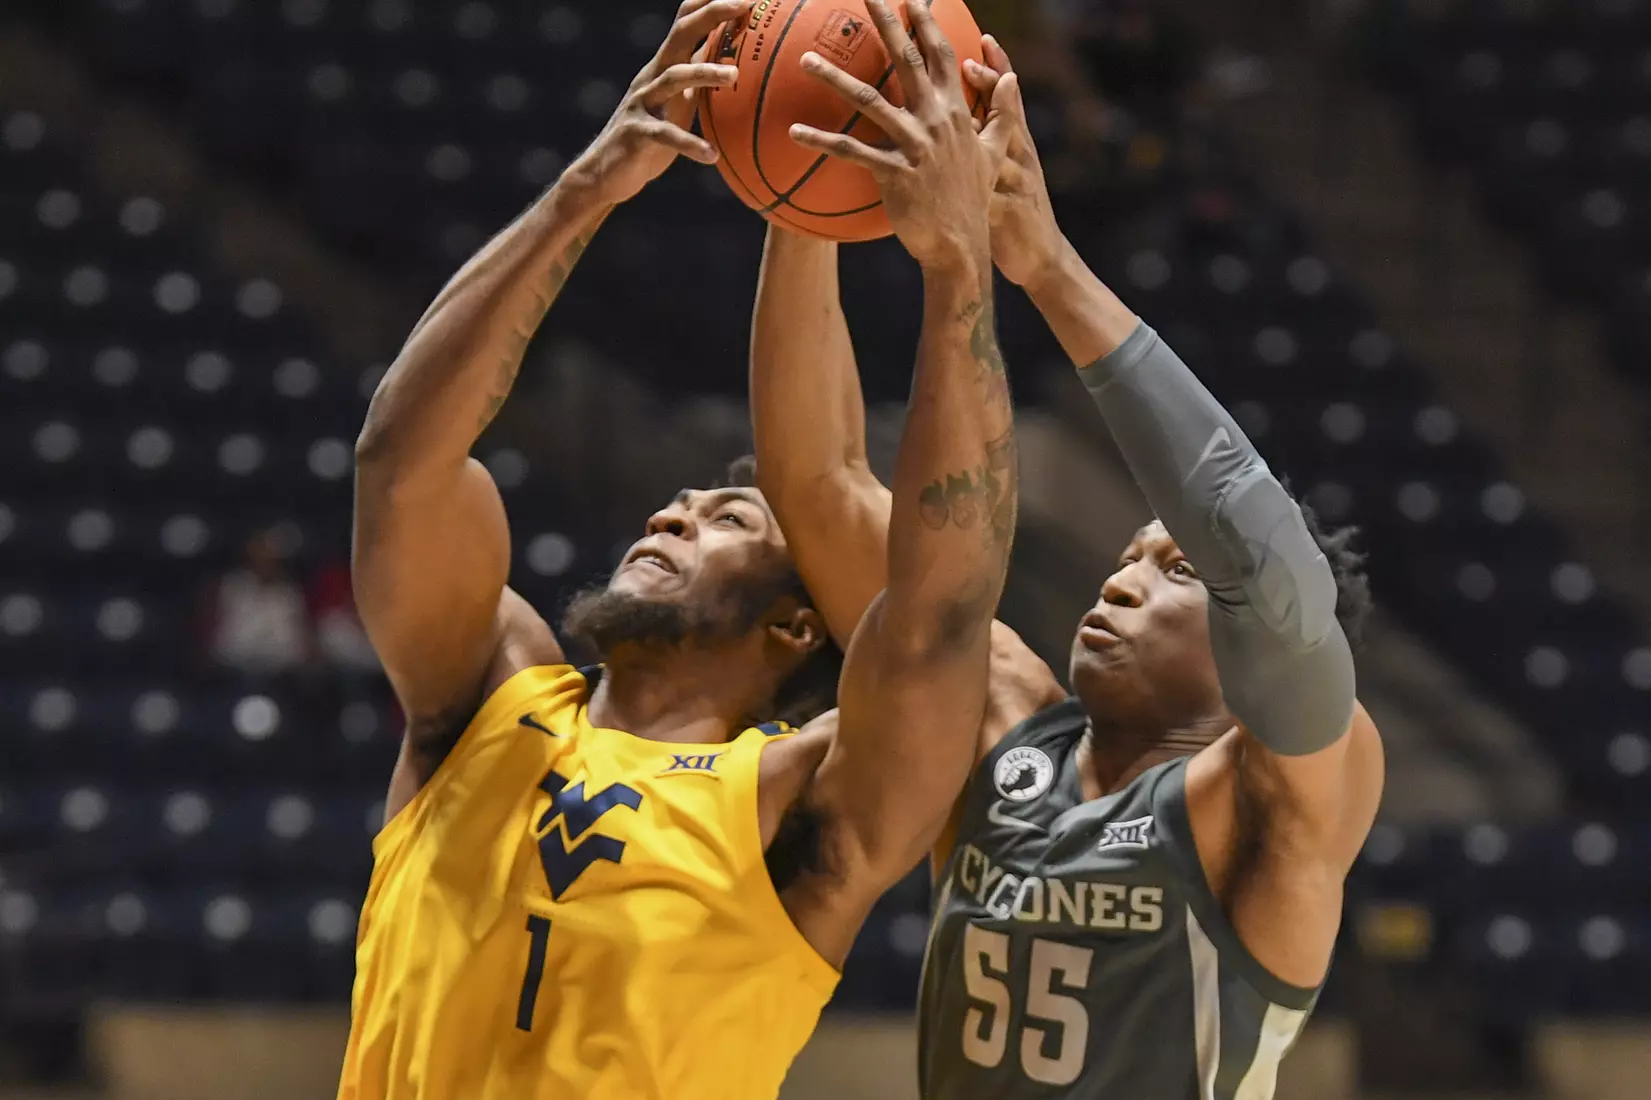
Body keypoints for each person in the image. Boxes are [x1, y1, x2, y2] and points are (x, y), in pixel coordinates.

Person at [337, 2, 1020, 1098]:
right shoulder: (482, 697)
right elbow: (399, 459)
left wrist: (955, 271)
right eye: (680, 503)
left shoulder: (802, 803)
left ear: (796, 623)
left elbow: (937, 607)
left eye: (723, 519)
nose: (669, 513)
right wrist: (583, 193)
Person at [749, 33, 1384, 1100]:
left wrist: (1038, 260)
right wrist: (806, 188)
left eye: (1173, 571)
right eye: (1128, 555)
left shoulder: (1280, 795)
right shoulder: (996, 718)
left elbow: (1268, 572)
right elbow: (821, 482)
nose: (1120, 579)